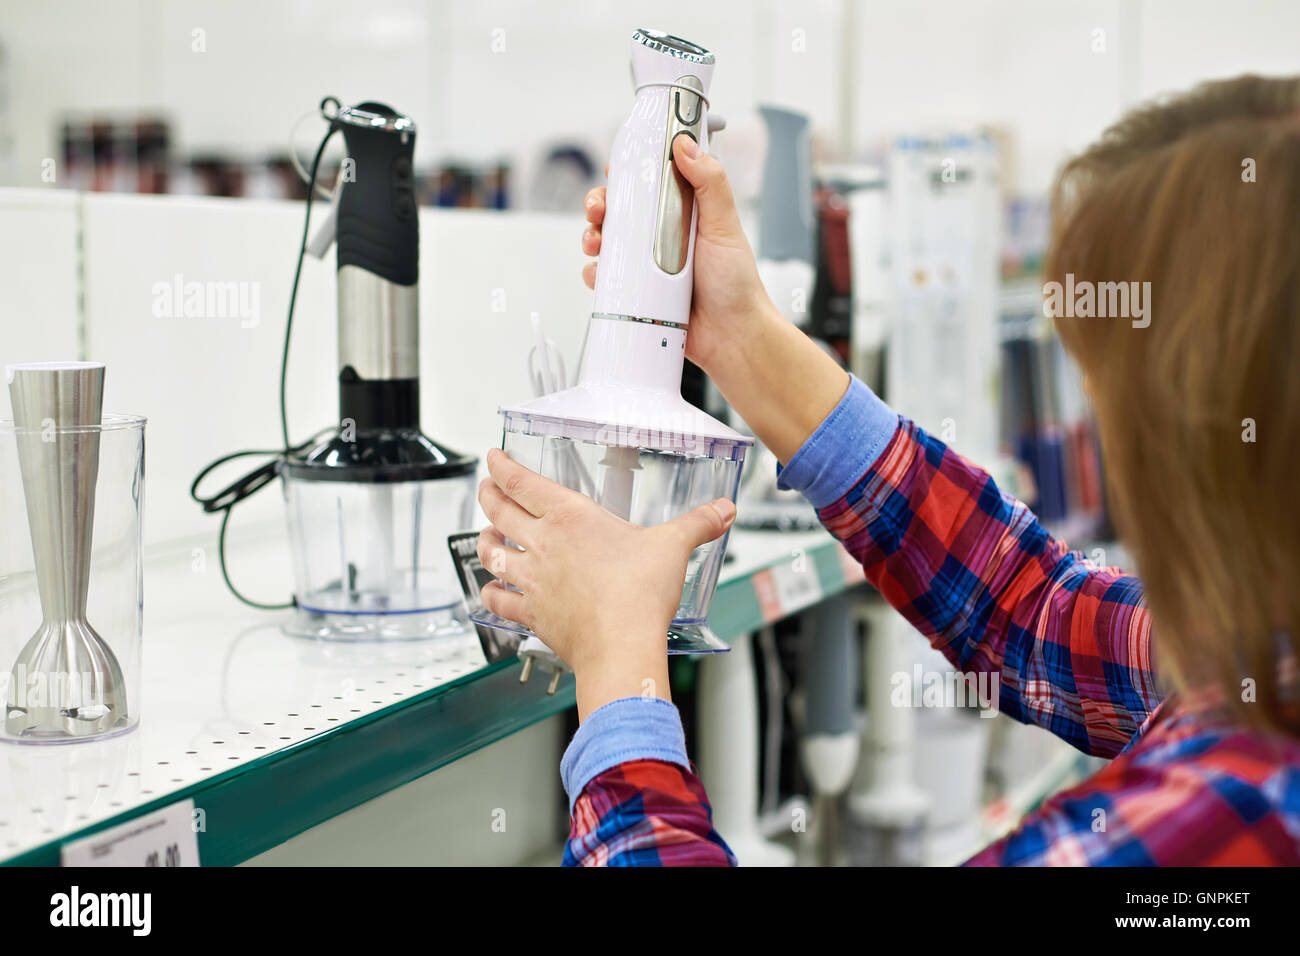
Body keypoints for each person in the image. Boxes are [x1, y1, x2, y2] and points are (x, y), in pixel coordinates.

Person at [475, 74, 1300, 866]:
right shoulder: (1259, 664)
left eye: (1108, 393)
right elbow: (1029, 605)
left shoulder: (1234, 809)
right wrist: (743, 337)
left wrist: (620, 669)